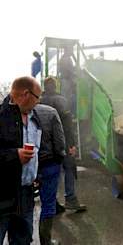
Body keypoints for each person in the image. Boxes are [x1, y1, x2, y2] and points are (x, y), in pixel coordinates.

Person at [0, 76, 42, 244]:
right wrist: (14, 155)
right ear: (26, 94)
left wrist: (36, 177)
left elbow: (38, 151)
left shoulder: (35, 118)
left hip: (26, 195)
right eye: (38, 97)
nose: (39, 102)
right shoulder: (2, 116)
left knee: (23, 240)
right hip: (3, 194)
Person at [40, 77, 86, 212]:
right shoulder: (61, 100)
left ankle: (52, 203)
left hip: (45, 144)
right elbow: (67, 124)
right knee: (69, 169)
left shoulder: (39, 101)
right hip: (62, 141)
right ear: (55, 86)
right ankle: (70, 199)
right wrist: (72, 144)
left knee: (51, 173)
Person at [35, 103, 65, 245]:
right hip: (49, 164)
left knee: (24, 205)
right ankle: (45, 242)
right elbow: (59, 140)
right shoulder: (51, 112)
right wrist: (60, 157)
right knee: (48, 204)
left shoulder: (16, 111)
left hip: (26, 163)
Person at [59, 49, 76, 115]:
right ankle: (68, 113)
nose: (72, 52)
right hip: (67, 80)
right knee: (67, 97)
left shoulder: (62, 58)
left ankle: (65, 111)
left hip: (64, 79)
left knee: (65, 96)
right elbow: (70, 69)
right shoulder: (67, 59)